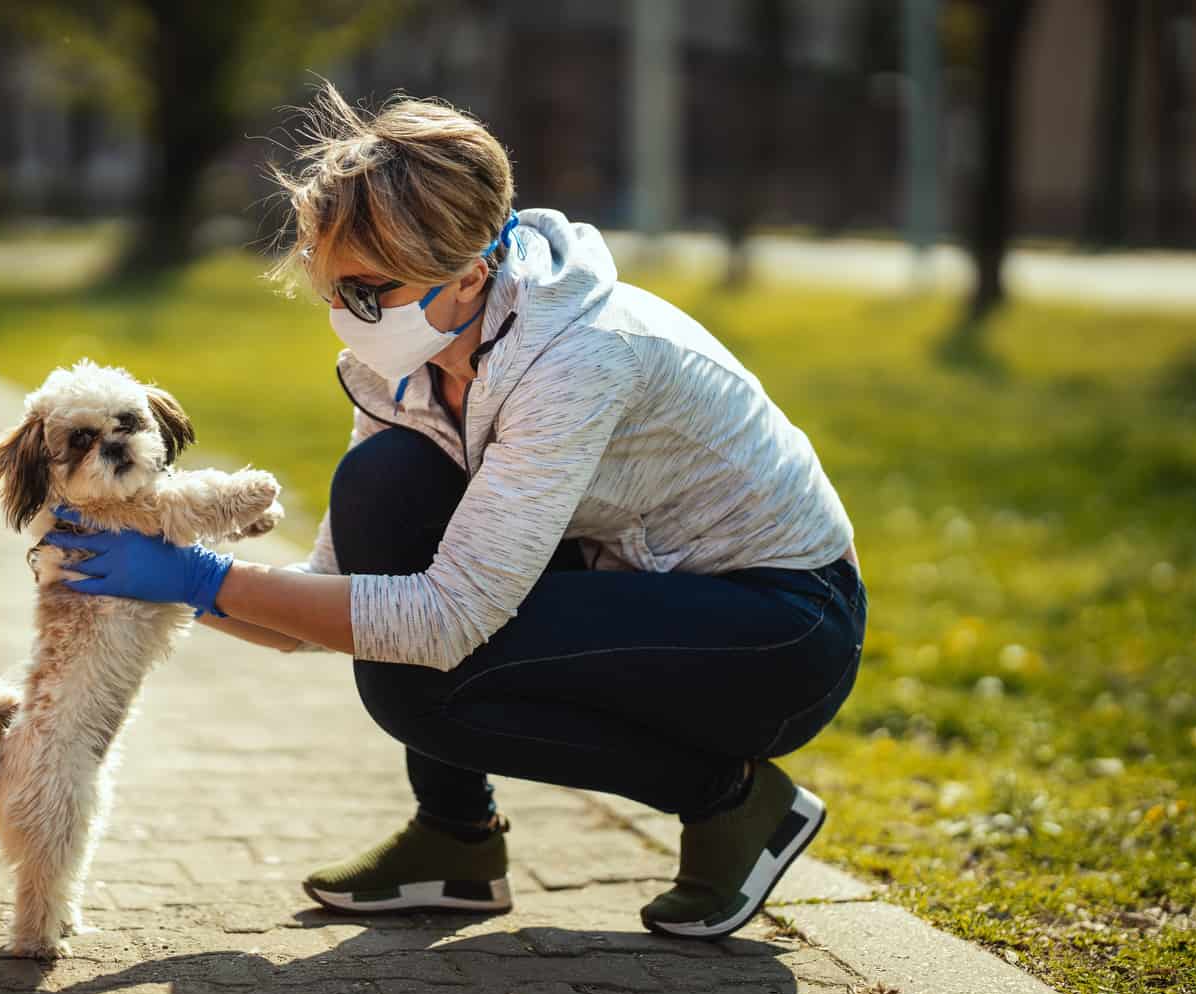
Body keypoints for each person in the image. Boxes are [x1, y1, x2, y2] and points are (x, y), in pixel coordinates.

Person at [43, 84, 867, 940]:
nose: (343, 317)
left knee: (423, 688)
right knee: (382, 482)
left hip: (777, 632)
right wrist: (153, 579)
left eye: (366, 292)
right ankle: (455, 844)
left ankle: (736, 801)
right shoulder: (409, 357)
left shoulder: (580, 359)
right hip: (627, 581)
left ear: (470, 274)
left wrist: (200, 576)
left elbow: (443, 620)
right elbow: (324, 600)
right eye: (329, 289)